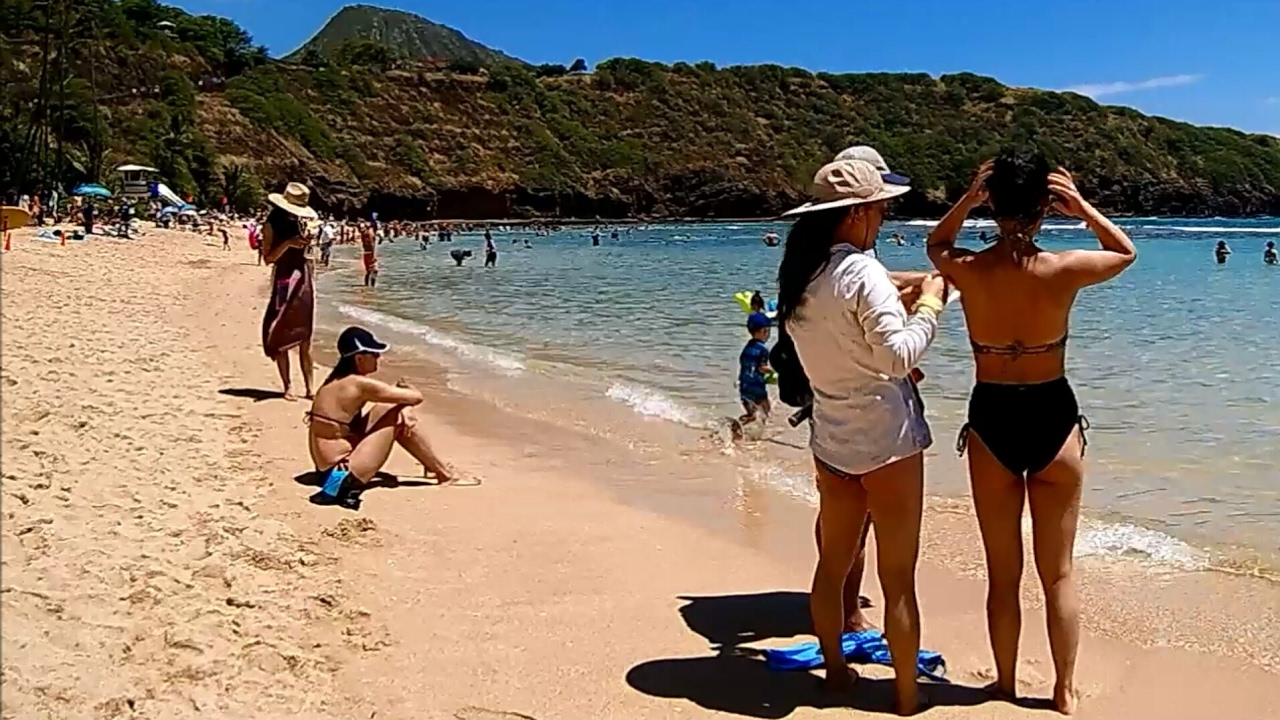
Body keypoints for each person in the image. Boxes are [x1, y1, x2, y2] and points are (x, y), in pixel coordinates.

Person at [927, 148, 1136, 715]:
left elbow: (935, 247)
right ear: (1046, 206)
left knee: (1003, 573)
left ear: (995, 204)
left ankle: (1004, 683)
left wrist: (970, 198)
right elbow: (1125, 251)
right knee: (1058, 573)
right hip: (1053, 413)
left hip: (993, 412)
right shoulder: (1063, 268)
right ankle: (1064, 691)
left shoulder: (970, 270)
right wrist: (1084, 207)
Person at [778, 158, 947, 714]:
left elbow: (845, 345)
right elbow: (896, 357)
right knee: (899, 579)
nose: (883, 216)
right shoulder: (861, 273)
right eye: (881, 208)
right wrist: (930, 305)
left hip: (832, 439)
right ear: (857, 213)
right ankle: (905, 695)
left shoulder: (801, 277)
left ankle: (835, 674)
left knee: (832, 566)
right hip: (888, 443)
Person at [307, 327, 478, 509]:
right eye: (375, 354)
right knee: (397, 417)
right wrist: (405, 407)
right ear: (359, 358)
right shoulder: (359, 384)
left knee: (389, 407)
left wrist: (403, 405)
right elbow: (416, 396)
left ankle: (432, 467)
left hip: (325, 470)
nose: (379, 358)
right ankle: (444, 474)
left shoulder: (336, 381)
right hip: (341, 474)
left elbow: (396, 398)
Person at [261, 182, 319, 402]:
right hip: (284, 278)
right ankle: (288, 386)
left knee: (305, 334)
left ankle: (310, 387)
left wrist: (306, 242)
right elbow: (268, 259)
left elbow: (306, 254)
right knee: (281, 329)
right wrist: (288, 244)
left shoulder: (300, 222)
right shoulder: (271, 224)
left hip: (303, 276)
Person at [733, 312, 773, 438]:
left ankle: (736, 427)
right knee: (765, 410)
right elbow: (762, 368)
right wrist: (775, 371)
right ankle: (760, 436)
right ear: (764, 331)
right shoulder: (763, 349)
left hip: (744, 386)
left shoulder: (747, 347)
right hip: (757, 387)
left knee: (751, 414)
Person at [361, 223, 378, 287]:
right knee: (375, 270)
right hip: (370, 253)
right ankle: (372, 287)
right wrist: (373, 255)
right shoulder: (369, 233)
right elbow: (372, 245)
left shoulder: (364, 234)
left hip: (366, 253)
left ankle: (366, 286)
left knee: (368, 272)